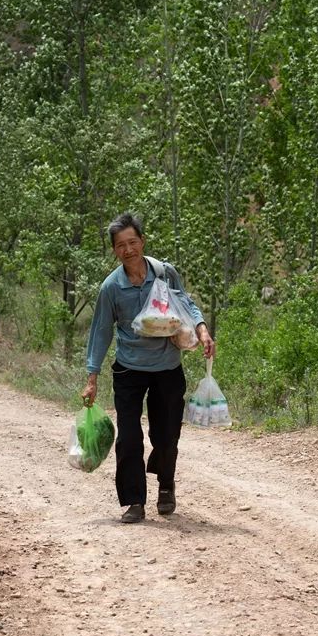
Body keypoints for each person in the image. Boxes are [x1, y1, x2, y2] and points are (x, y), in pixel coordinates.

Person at [81, 212, 215, 523]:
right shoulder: (111, 288)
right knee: (128, 437)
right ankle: (134, 501)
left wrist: (201, 328)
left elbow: (186, 303)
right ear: (114, 250)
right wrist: (92, 377)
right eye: (120, 246)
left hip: (167, 367)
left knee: (166, 435)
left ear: (142, 241)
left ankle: (165, 485)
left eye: (132, 242)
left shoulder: (164, 273)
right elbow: (100, 331)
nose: (128, 250)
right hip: (129, 369)